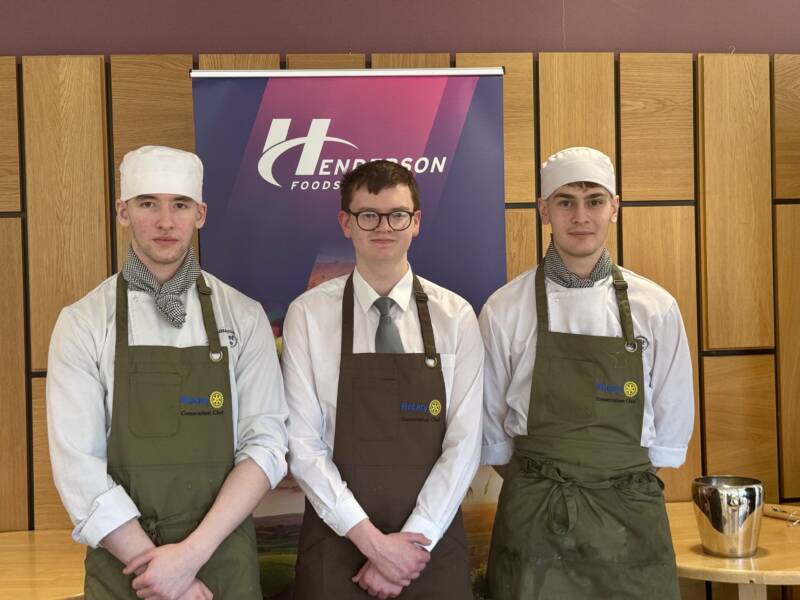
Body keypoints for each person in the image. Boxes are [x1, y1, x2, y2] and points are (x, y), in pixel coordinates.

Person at [46, 145, 289, 600]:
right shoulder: (83, 323)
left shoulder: (243, 316)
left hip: (222, 561)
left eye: (180, 205)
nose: (165, 221)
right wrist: (158, 572)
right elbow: (78, 467)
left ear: (200, 214)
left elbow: (267, 445)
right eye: (147, 204)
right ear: (123, 211)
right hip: (127, 569)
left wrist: (189, 557)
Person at [481, 147, 694, 599]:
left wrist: (610, 479)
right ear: (544, 210)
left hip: (630, 520)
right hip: (535, 515)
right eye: (566, 202)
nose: (581, 216)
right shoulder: (504, 309)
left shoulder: (656, 307)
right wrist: (546, 477)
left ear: (614, 208)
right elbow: (492, 432)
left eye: (594, 201)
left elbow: (671, 428)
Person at [281, 160, 484, 599]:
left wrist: (413, 543)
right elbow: (303, 444)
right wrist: (373, 544)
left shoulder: (456, 317)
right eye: (368, 215)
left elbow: (465, 445)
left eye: (397, 215)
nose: (384, 227)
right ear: (346, 223)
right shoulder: (308, 315)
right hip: (337, 541)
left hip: (429, 545)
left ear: (416, 222)